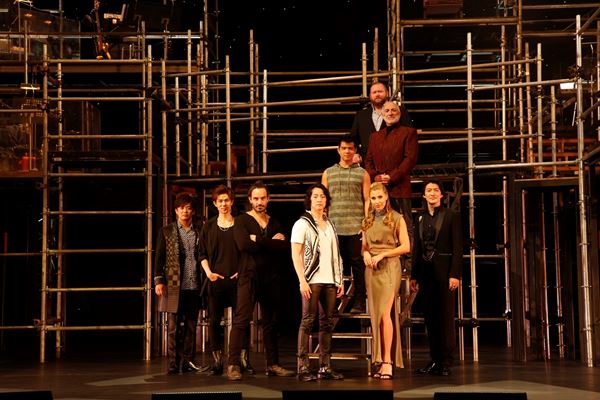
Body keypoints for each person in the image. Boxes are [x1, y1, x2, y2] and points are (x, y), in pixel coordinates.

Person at [226, 181, 295, 380]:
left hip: (271, 278)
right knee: (241, 320)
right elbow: (244, 245)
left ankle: (273, 364)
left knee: (270, 323)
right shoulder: (242, 220)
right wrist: (271, 243)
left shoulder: (275, 223)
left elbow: (284, 248)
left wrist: (259, 240)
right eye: (256, 198)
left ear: (268, 199)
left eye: (263, 198)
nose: (259, 202)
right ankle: (233, 365)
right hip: (249, 276)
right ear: (250, 199)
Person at [291, 183, 345, 382]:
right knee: (307, 322)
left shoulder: (330, 224)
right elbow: (295, 254)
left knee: (327, 323)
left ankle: (325, 366)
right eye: (315, 196)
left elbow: (335, 254)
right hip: (312, 280)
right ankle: (303, 367)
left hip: (329, 280)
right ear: (309, 199)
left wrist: (339, 279)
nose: (319, 200)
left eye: (322, 196)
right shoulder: (302, 223)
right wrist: (302, 281)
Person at [199, 184, 254, 376]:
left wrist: (241, 271)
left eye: (226, 200)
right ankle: (217, 361)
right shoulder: (208, 226)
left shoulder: (240, 224)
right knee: (214, 321)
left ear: (231, 202)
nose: (223, 204)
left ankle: (242, 359)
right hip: (216, 281)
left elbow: (247, 251)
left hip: (238, 280)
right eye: (220, 201)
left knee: (242, 320)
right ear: (215, 203)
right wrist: (209, 273)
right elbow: (202, 253)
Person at [410, 180, 463, 377]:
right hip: (426, 274)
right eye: (428, 190)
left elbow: (458, 247)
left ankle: (446, 361)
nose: (432, 193)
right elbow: (417, 248)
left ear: (441, 194)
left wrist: (454, 274)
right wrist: (414, 275)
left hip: (445, 274)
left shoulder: (451, 216)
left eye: (435, 190)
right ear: (424, 195)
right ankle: (434, 359)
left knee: (446, 318)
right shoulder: (419, 217)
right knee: (430, 319)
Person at [361, 182, 410, 379]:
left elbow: (406, 246)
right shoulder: (367, 220)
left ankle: (388, 361)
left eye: (380, 197)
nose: (377, 201)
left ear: (386, 197)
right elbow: (364, 246)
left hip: (390, 267)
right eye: (373, 198)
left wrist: (383, 254)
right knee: (376, 317)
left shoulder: (397, 218)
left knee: (384, 314)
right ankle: (380, 361)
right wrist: (365, 253)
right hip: (372, 269)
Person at [154, 192, 206, 375]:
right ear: (176, 210)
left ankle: (188, 361)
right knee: (173, 327)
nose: (185, 211)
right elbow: (159, 257)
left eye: (188, 208)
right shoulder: (167, 231)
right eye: (181, 208)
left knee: (192, 326)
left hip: (194, 284)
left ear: (193, 211)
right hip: (174, 284)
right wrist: (159, 280)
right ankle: (173, 362)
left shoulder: (199, 230)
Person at [365, 100, 418, 272]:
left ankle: (407, 266)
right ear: (382, 113)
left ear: (399, 113)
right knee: (380, 225)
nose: (390, 113)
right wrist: (376, 176)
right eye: (386, 110)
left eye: (393, 110)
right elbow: (368, 161)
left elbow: (410, 159)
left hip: (400, 187)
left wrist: (392, 177)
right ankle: (382, 260)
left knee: (405, 226)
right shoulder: (374, 137)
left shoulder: (408, 133)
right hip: (380, 189)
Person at [322, 134, 371, 313]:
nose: (347, 151)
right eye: (344, 148)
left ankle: (359, 302)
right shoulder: (328, 173)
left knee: (358, 266)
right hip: (334, 228)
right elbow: (324, 200)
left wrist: (365, 225)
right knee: (334, 266)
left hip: (355, 227)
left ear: (355, 150)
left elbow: (367, 199)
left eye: (350, 148)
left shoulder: (362, 173)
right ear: (338, 150)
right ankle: (332, 305)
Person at [350, 81, 412, 162]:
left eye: (380, 91)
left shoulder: (400, 111)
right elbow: (353, 138)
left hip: (395, 163)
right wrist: (356, 153)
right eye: (374, 92)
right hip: (367, 163)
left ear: (387, 93)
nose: (377, 94)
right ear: (370, 96)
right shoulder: (361, 115)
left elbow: (409, 137)